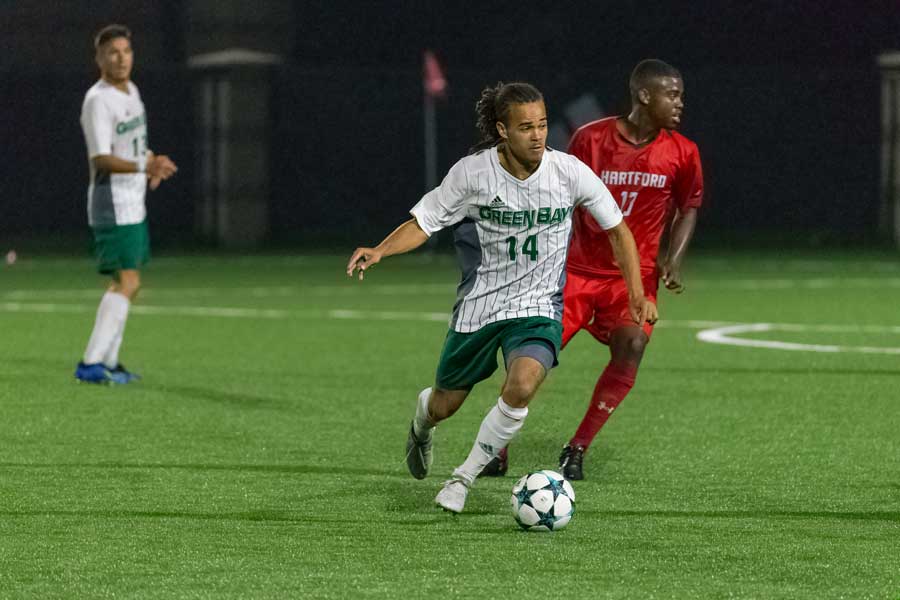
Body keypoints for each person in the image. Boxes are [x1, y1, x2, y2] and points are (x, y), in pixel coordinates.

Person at [346, 82, 657, 513]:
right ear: (502, 130)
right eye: (526, 127)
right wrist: (380, 249)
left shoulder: (569, 172)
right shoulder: (472, 174)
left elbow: (618, 230)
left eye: (543, 125)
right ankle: (421, 424)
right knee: (444, 404)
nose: (538, 135)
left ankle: (463, 478)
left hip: (538, 305)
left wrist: (637, 295)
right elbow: (424, 221)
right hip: (482, 304)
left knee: (523, 384)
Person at [483, 59, 703, 480]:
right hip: (575, 274)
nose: (680, 103)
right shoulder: (591, 139)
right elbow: (557, 190)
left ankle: (577, 448)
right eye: (671, 94)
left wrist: (673, 259)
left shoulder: (683, 151)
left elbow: (689, 205)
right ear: (644, 95)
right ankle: (497, 447)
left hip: (631, 281)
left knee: (632, 347)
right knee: (529, 361)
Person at [74, 24, 178, 384]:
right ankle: (90, 364)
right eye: (113, 52)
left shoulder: (132, 92)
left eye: (126, 51)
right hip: (112, 202)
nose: (121, 58)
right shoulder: (97, 100)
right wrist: (142, 165)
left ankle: (110, 362)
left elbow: (132, 145)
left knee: (126, 282)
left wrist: (151, 160)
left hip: (134, 202)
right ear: (99, 58)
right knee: (128, 281)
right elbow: (101, 158)